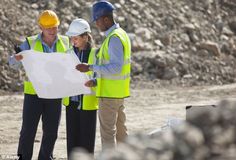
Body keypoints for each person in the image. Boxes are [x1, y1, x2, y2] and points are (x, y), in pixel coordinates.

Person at [8, 10, 70, 160]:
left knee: (51, 131)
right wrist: (16, 58)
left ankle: (45, 157)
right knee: (28, 130)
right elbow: (12, 63)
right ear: (41, 27)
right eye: (48, 28)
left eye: (54, 27)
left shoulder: (65, 42)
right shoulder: (30, 42)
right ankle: (24, 157)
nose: (52, 31)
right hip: (34, 94)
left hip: (54, 93)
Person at [76, 0, 131, 150]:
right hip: (117, 93)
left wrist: (90, 67)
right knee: (121, 133)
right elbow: (113, 69)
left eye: (97, 20)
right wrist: (95, 80)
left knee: (108, 135)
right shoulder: (121, 34)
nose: (96, 24)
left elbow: (115, 68)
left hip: (109, 95)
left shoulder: (113, 38)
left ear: (106, 19)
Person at [62, 18, 98, 158]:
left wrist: (94, 82)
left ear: (85, 37)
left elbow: (101, 75)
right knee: (72, 141)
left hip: (88, 105)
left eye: (76, 38)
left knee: (87, 142)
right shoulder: (68, 53)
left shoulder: (95, 54)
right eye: (71, 38)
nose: (73, 41)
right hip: (71, 103)